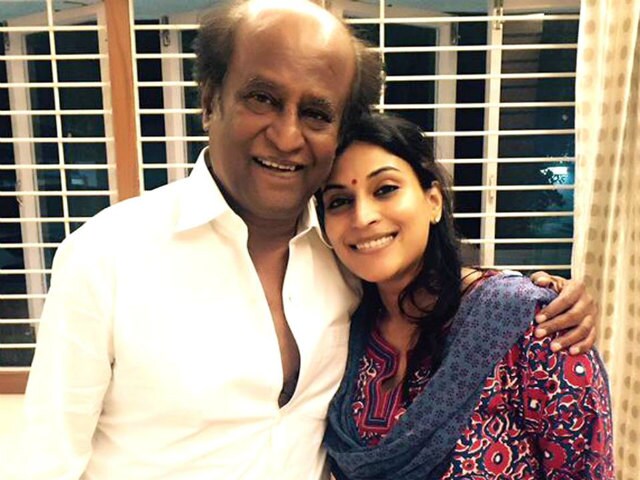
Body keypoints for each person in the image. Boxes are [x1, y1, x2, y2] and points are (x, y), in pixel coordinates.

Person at [19, 1, 597, 479]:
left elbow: (434, 282)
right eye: (262, 98)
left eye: (317, 113)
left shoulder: (347, 255)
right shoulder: (106, 255)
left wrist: (539, 296)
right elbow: (47, 461)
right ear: (210, 99)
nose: (287, 134)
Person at [322, 114, 614, 479]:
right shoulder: (342, 330)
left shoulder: (535, 326)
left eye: (385, 189)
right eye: (339, 201)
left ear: (433, 201)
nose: (362, 216)